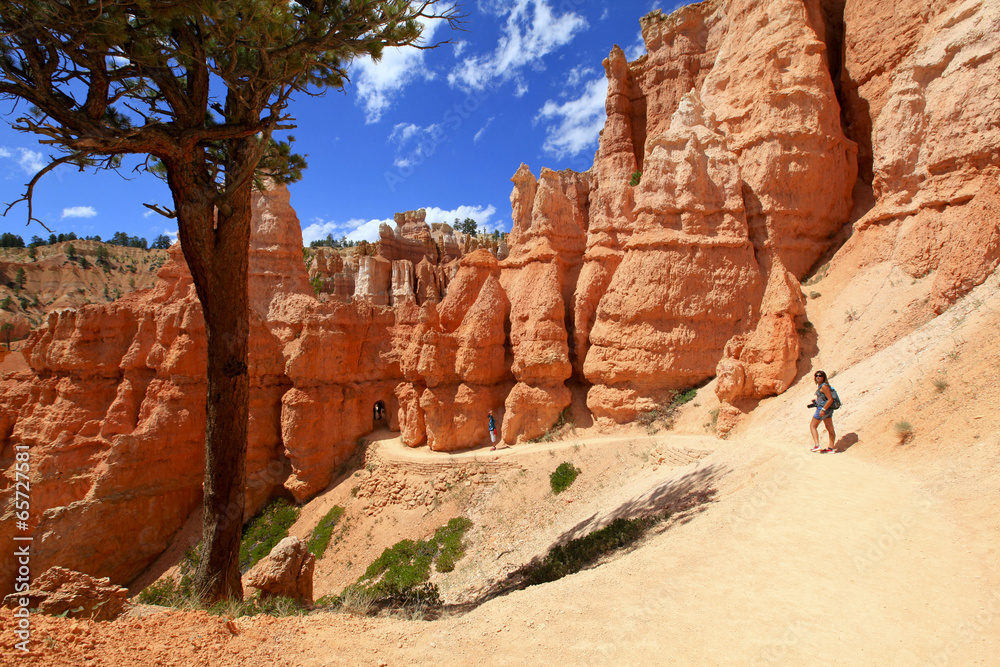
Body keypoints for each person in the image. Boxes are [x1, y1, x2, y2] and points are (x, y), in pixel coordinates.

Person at [809, 370, 837, 453]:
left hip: (823, 409)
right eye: (816, 375)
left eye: (820, 376)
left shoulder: (824, 386)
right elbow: (824, 398)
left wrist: (823, 409)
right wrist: (815, 402)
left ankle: (817, 445)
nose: (818, 377)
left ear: (823, 377)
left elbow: (830, 399)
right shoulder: (821, 386)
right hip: (828, 410)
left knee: (812, 426)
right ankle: (831, 448)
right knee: (829, 427)